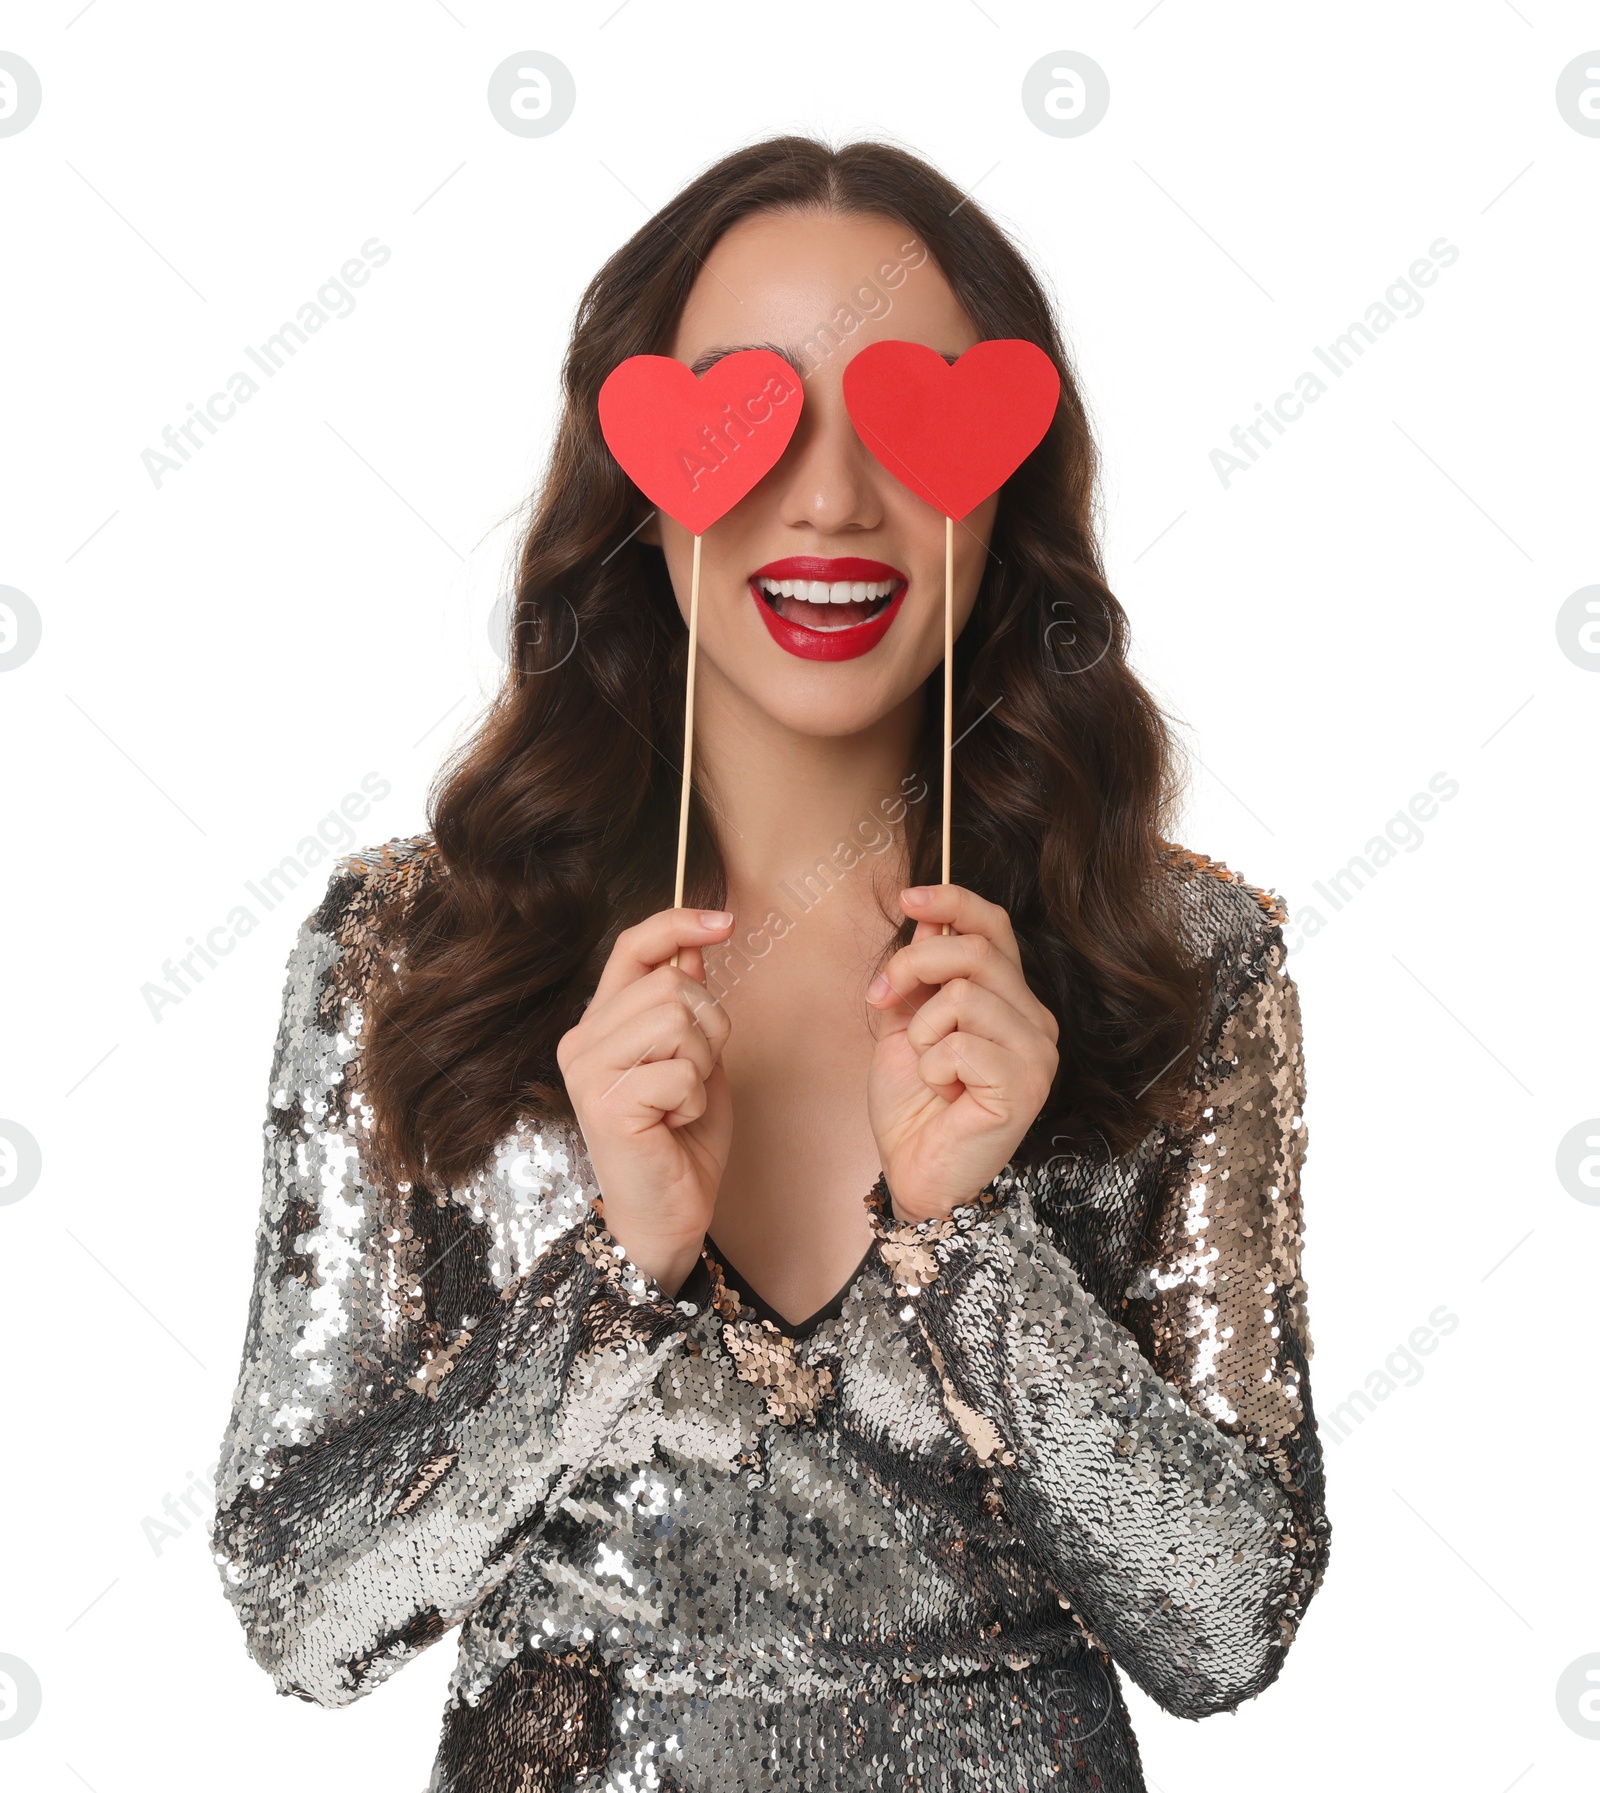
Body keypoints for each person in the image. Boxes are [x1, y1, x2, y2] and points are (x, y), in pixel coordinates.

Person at [210, 135, 1332, 1792]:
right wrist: (609, 1280)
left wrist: (976, 1248)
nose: (827, 499)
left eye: (905, 421)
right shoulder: (408, 950)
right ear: (641, 485)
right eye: (747, 415)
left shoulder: (1182, 962)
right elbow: (304, 1613)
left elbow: (1226, 1630)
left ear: (1005, 488)